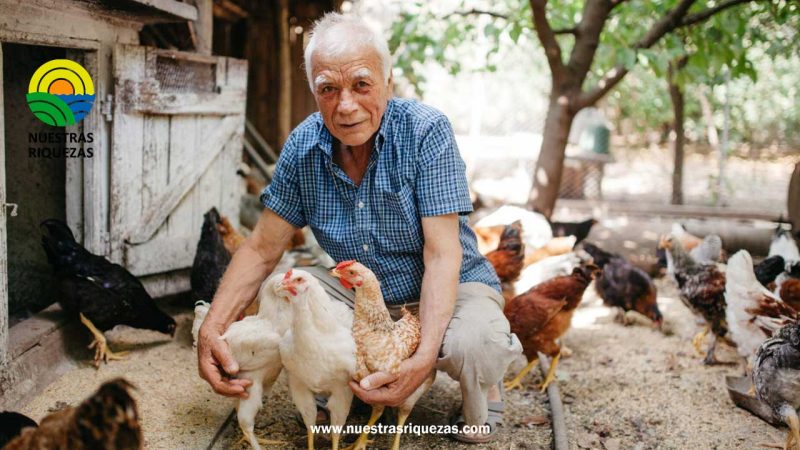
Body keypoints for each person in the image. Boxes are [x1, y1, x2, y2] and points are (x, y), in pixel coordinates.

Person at [197, 12, 522, 443]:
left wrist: (424, 357)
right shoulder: (304, 146)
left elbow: (441, 255)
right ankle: (341, 380)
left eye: (361, 85)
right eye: (328, 89)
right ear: (314, 92)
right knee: (284, 287)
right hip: (364, 294)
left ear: (389, 82)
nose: (345, 105)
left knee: (474, 343)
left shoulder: (426, 132)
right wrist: (211, 329)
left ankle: (481, 386)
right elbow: (260, 248)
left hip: (451, 284)